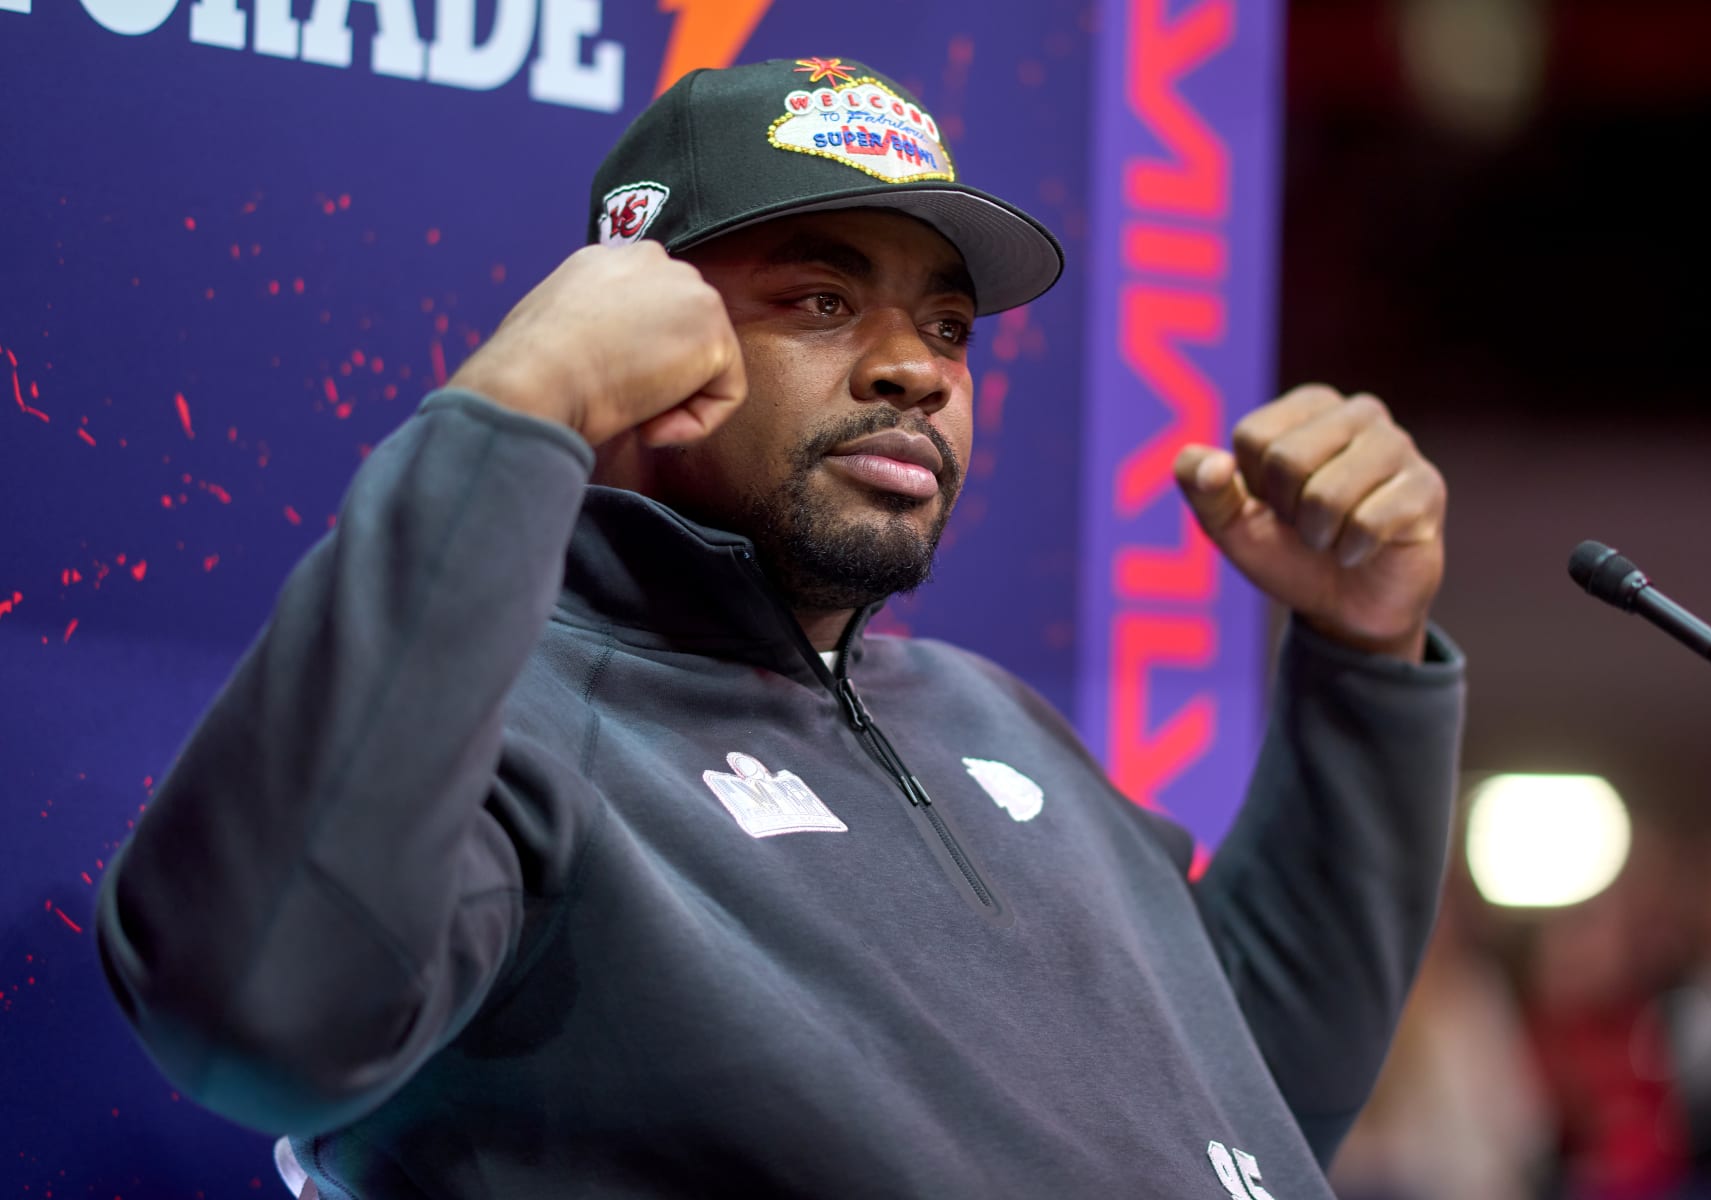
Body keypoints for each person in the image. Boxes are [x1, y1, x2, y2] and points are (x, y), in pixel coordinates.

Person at [95, 57, 1464, 1198]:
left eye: (949, 325)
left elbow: (1249, 1097)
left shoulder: (1000, 722)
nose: (915, 368)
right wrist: (523, 402)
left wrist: (1364, 663)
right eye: (820, 300)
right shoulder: (492, 721)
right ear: (634, 323)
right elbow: (259, 1010)